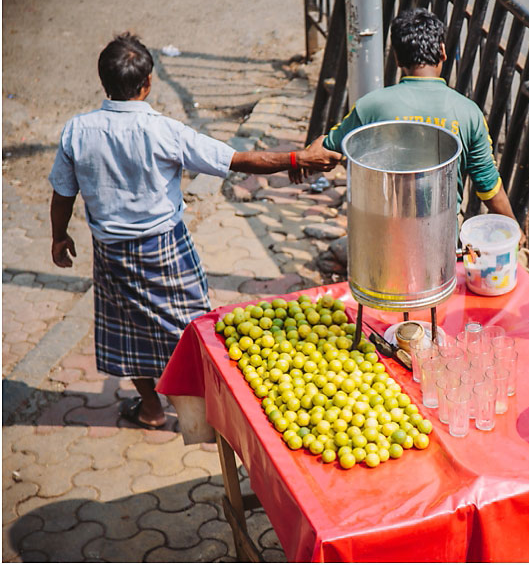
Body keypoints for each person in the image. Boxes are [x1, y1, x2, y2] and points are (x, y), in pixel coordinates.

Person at [49, 32, 342, 429]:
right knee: (193, 328)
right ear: (148, 82)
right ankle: (215, 412)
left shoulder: (77, 131)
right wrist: (297, 157)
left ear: (104, 83)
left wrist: (59, 236)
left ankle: (151, 406)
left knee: (130, 333)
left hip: (111, 253)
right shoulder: (165, 131)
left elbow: (63, 193)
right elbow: (237, 160)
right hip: (164, 247)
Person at [305, 8, 517, 222]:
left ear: (397, 59)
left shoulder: (371, 106)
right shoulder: (469, 113)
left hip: (380, 238)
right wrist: (514, 228)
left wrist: (297, 160)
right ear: (442, 51)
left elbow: (328, 147)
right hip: (441, 241)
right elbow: (488, 185)